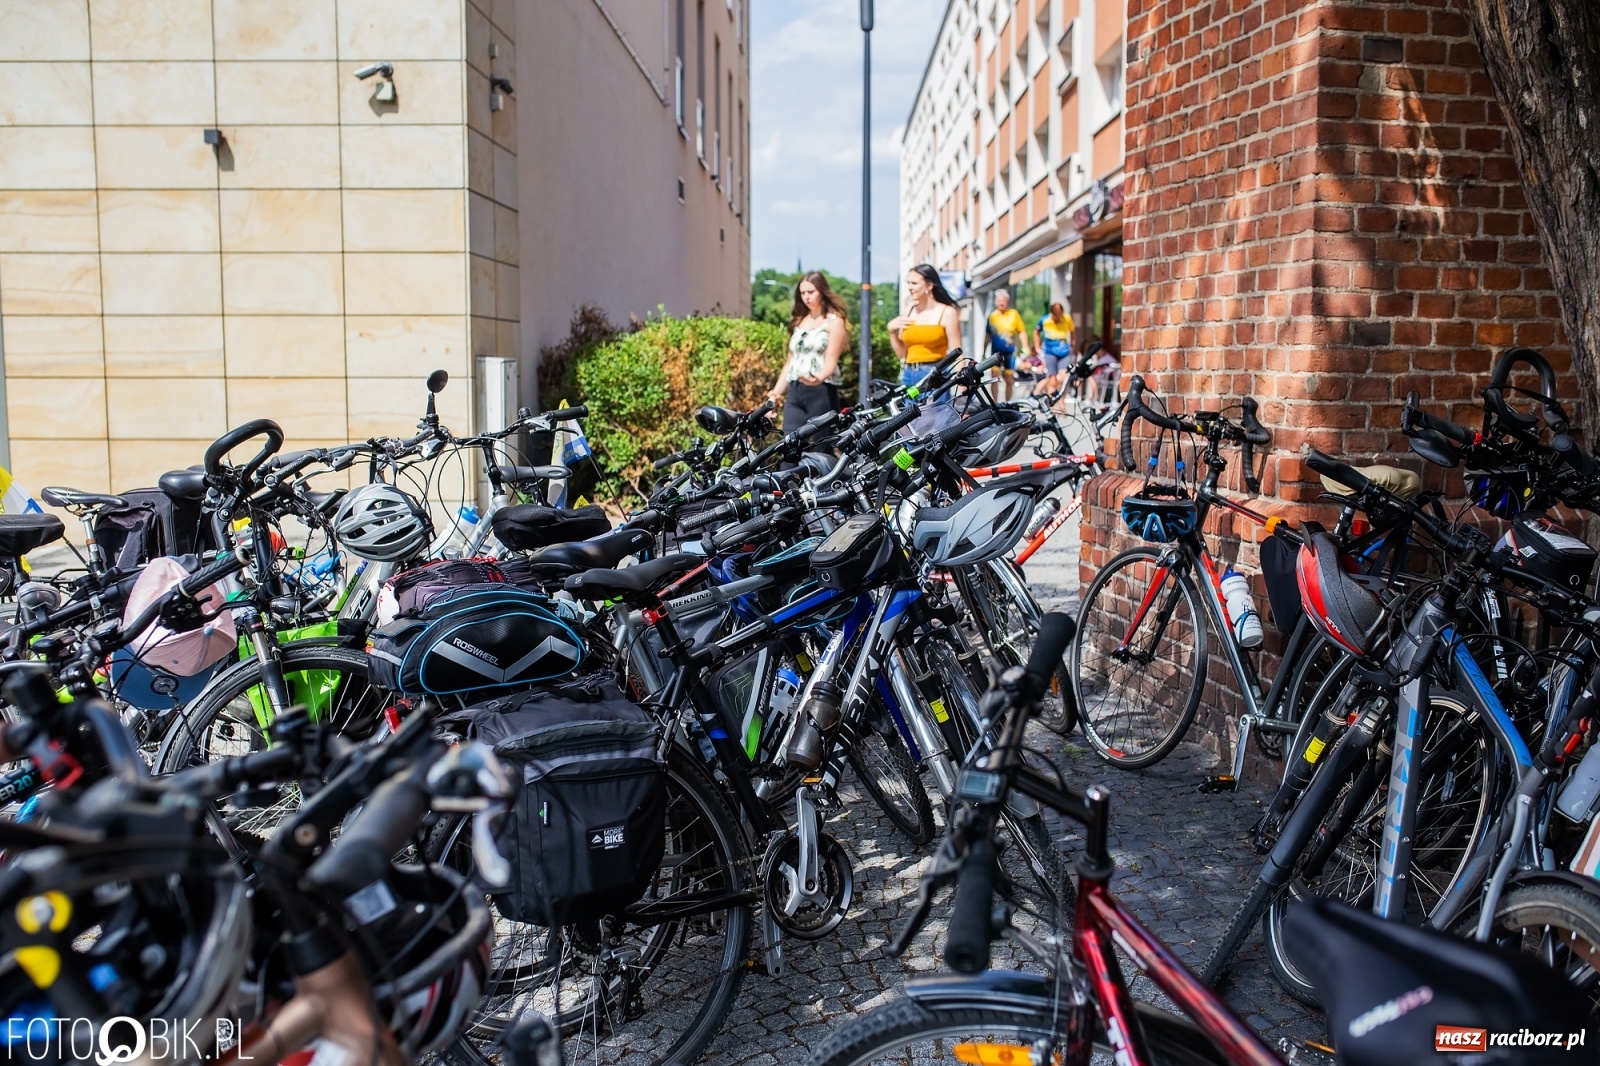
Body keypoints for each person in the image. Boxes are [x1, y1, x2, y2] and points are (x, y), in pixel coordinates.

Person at [766, 271, 846, 428]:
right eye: (803, 293)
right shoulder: (800, 321)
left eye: (811, 292)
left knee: (822, 446)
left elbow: (831, 360)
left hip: (821, 390)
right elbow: (790, 362)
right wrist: (775, 395)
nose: (806, 297)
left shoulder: (834, 322)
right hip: (795, 390)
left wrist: (818, 378)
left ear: (822, 292)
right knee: (789, 444)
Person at [887, 264, 963, 389]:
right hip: (909, 374)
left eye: (914, 283)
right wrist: (891, 332)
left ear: (929, 285)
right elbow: (902, 355)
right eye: (908, 283)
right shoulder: (909, 311)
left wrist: (963, 387)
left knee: (934, 409)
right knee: (908, 409)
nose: (910, 287)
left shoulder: (947, 312)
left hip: (935, 374)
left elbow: (957, 353)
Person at [984, 290, 1030, 401]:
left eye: (1003, 300)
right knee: (994, 377)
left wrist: (1025, 346)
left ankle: (1007, 403)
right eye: (999, 300)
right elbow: (987, 335)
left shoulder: (1014, 314)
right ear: (996, 302)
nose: (1001, 303)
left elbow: (1022, 331)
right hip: (995, 352)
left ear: (1007, 301)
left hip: (1010, 352)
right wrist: (983, 350)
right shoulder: (992, 316)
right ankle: (995, 403)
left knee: (1009, 379)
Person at [1033, 301, 1076, 400]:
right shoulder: (1045, 320)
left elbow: (1073, 331)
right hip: (1050, 352)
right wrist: (1037, 347)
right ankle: (1052, 402)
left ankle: (1061, 401)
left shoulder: (1067, 319)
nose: (1058, 317)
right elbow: (1036, 332)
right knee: (1052, 379)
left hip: (1064, 352)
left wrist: (1072, 344)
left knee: (1063, 378)